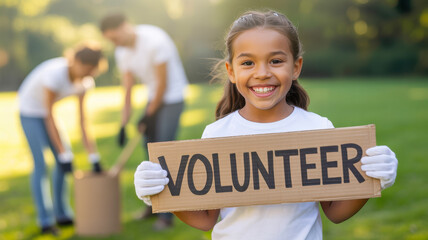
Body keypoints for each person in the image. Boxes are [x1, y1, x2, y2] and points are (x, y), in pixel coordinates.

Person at [133, 10, 398, 239]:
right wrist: (163, 192)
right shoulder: (217, 134)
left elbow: (335, 213)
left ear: (296, 67)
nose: (262, 72)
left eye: (276, 61)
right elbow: (205, 219)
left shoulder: (316, 128)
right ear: (231, 71)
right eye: (248, 62)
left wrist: (371, 180)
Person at [100, 13, 188, 230]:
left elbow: (163, 84)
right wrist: (123, 123)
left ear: (124, 26)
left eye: (115, 37)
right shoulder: (122, 52)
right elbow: (128, 88)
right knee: (149, 153)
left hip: (172, 96)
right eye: (110, 40)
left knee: (163, 153)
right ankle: (153, 206)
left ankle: (166, 216)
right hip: (154, 99)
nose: (115, 43)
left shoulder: (155, 40)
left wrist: (148, 114)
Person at [18, 43, 105, 235]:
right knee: (41, 164)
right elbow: (48, 114)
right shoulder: (55, 74)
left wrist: (93, 157)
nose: (89, 74)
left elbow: (83, 120)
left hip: (48, 114)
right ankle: (45, 220)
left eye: (93, 71)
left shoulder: (85, 82)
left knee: (63, 162)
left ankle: (62, 213)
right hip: (30, 112)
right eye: (87, 69)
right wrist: (63, 154)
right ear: (77, 62)